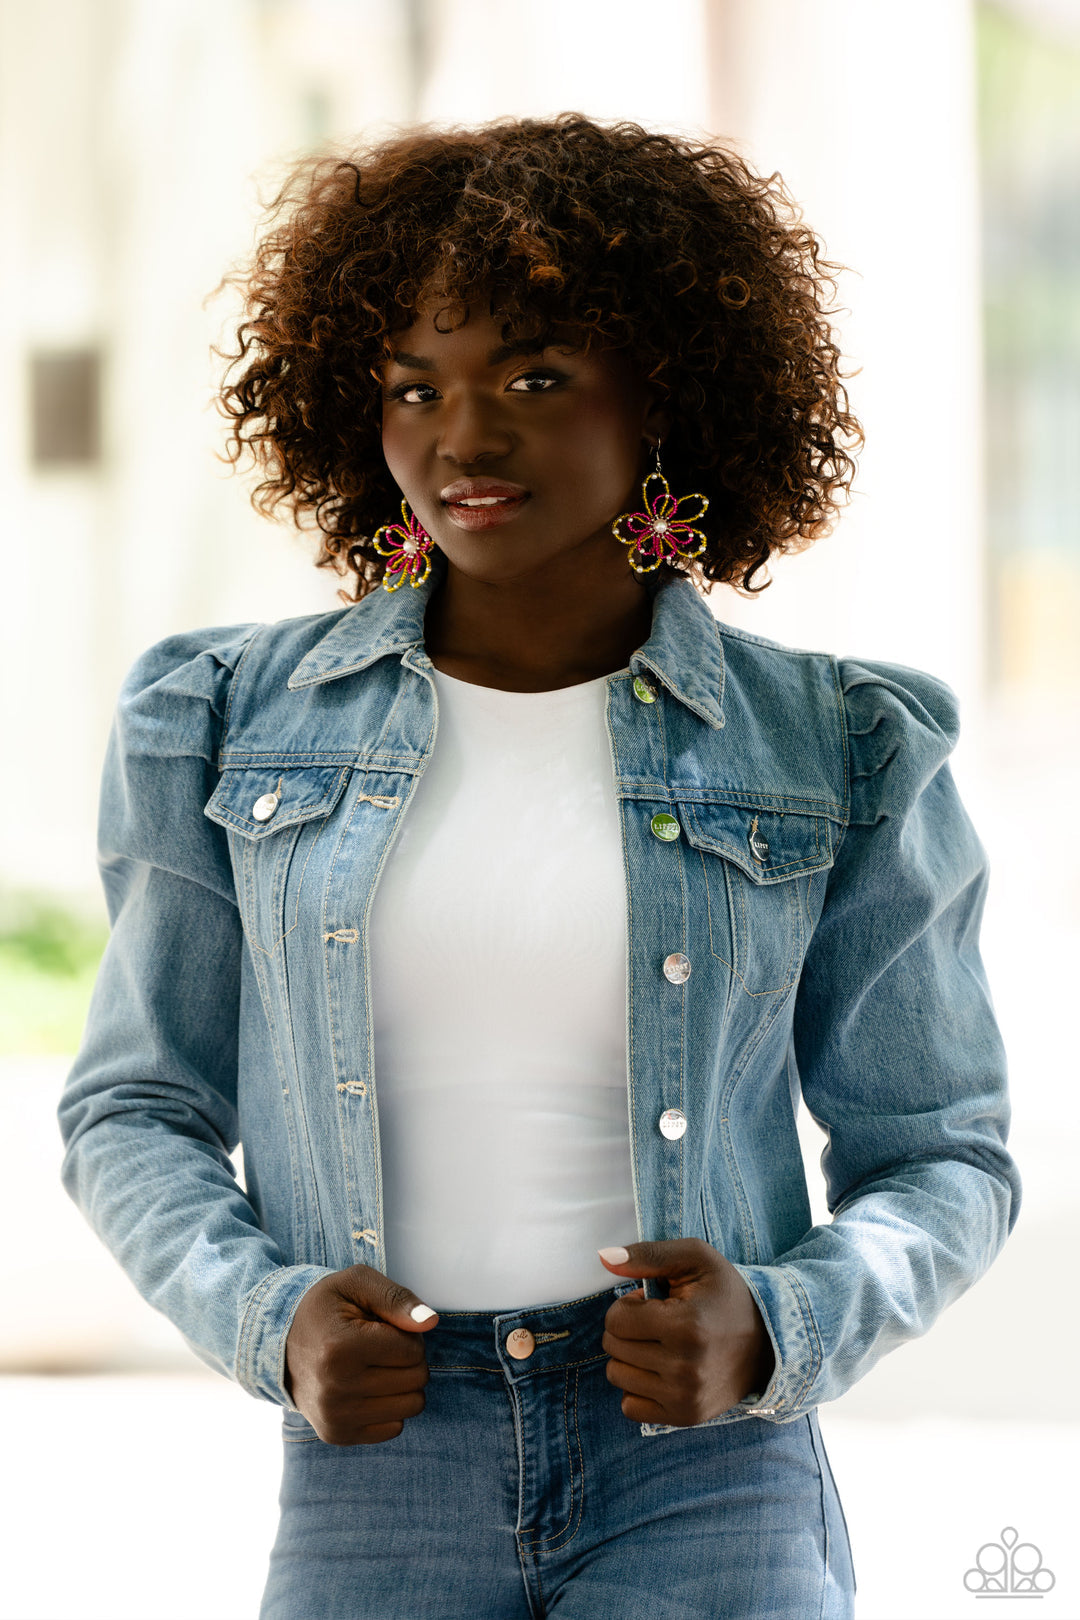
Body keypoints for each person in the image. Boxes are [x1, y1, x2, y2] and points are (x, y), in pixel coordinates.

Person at [57, 114, 1020, 1620]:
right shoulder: (217, 723)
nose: (465, 436)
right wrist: (271, 1316)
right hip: (377, 1461)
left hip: (703, 1462)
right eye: (414, 387)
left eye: (535, 376)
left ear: (666, 397)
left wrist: (777, 1323)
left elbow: (945, 1150)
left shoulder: (842, 745)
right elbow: (136, 1105)